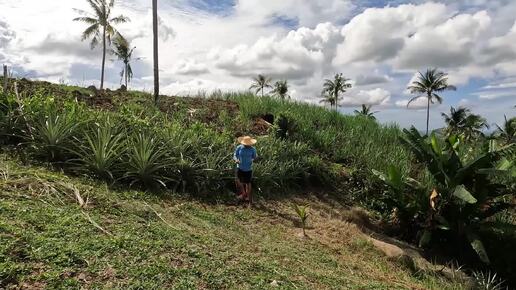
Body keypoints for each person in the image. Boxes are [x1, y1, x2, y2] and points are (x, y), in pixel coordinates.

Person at [233, 136, 257, 205]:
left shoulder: (253, 149)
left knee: (248, 183)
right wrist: (236, 160)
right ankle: (243, 193)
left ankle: (248, 199)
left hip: (248, 168)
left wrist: (254, 160)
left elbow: (254, 157)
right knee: (237, 180)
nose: (247, 145)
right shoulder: (239, 147)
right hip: (240, 167)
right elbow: (235, 155)